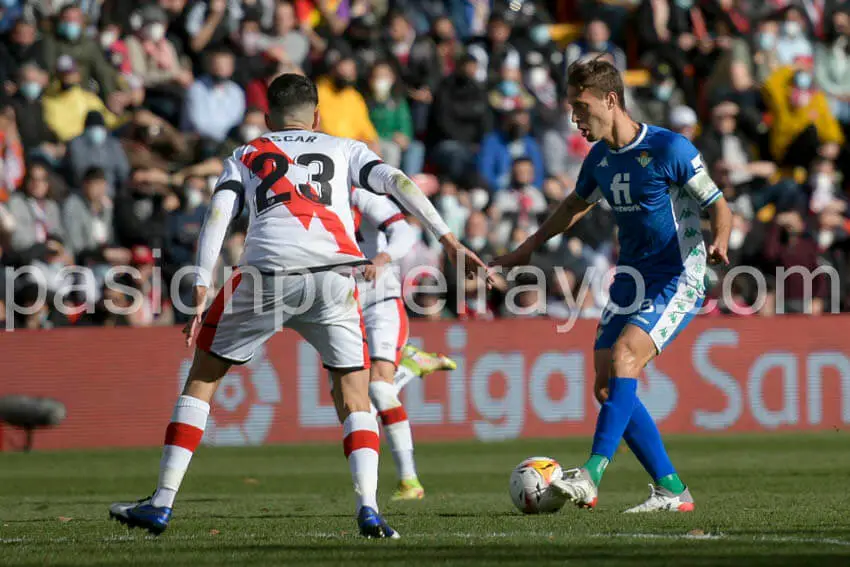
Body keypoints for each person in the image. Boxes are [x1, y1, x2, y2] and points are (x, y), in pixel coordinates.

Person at [108, 73, 487, 539]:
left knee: (203, 378)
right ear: (317, 116)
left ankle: (162, 503)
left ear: (267, 118)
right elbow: (398, 180)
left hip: (264, 274)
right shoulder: (343, 147)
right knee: (354, 394)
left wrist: (203, 286)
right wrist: (446, 237)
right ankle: (368, 507)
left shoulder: (246, 153)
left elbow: (219, 217)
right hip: (334, 276)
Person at [492, 59, 732, 513]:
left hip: (678, 274)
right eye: (571, 109)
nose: (575, 119)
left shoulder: (669, 149)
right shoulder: (600, 159)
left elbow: (718, 204)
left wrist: (719, 240)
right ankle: (672, 490)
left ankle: (592, 473)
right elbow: (572, 208)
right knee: (606, 386)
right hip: (631, 278)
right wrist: (526, 249)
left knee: (626, 356)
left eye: (581, 107)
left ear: (611, 100)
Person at [350, 187, 456, 501]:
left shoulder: (359, 196)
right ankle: (409, 364)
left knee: (379, 389)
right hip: (342, 309)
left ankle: (410, 481)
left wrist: (381, 258)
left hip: (381, 301)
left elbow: (404, 233)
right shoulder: (305, 203)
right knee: (358, 408)